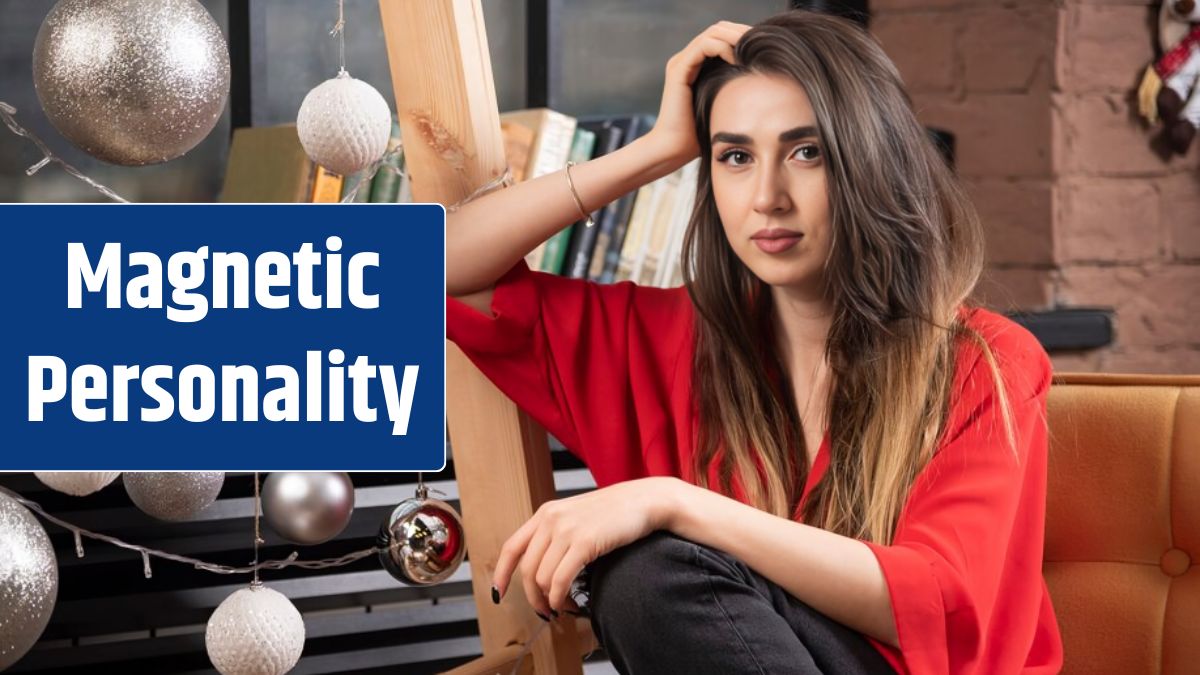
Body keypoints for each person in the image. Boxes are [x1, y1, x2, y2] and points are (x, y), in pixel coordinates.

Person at [445, 9, 1063, 675]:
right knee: (645, 579)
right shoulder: (665, 339)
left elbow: (938, 601)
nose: (767, 197)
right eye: (735, 156)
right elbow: (427, 268)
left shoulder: (983, 360)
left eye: (807, 152)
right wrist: (656, 150)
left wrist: (671, 500)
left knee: (648, 566)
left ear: (871, 162)